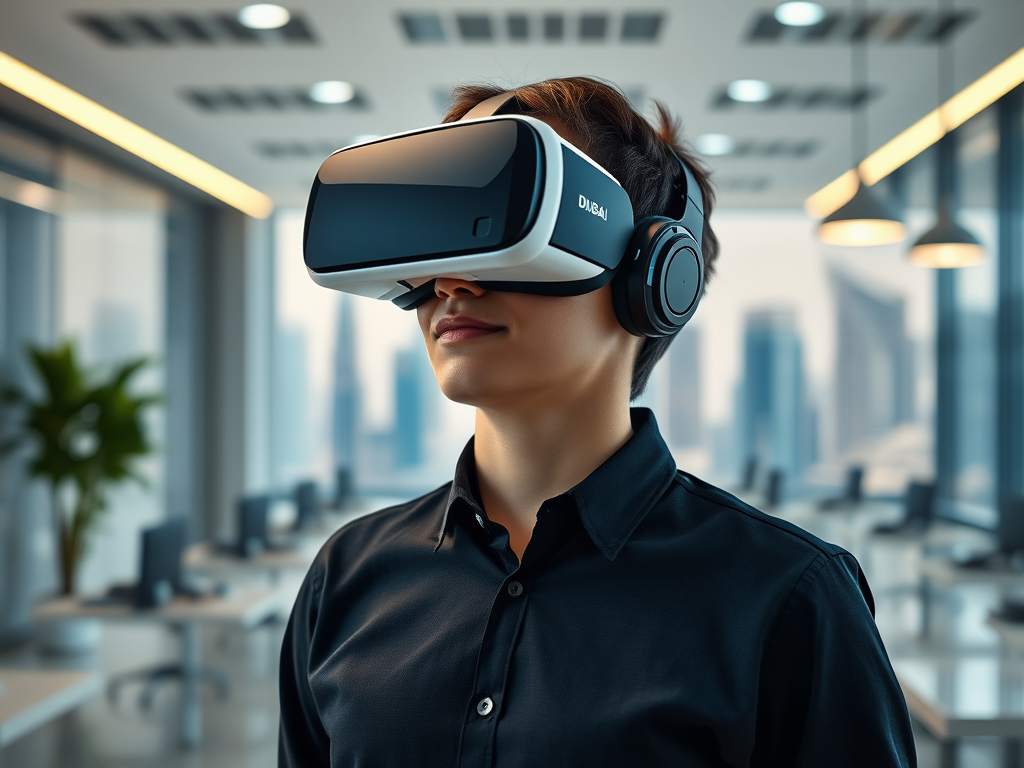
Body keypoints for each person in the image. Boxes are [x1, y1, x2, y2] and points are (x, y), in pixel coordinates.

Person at [279, 77, 916, 768]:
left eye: (508, 232)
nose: (452, 285)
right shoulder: (346, 577)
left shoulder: (789, 598)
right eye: (445, 245)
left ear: (652, 276)